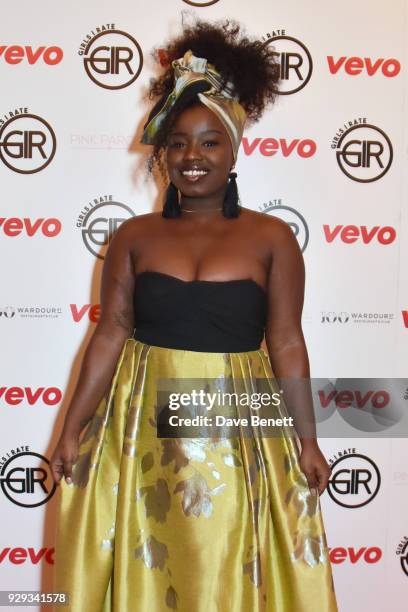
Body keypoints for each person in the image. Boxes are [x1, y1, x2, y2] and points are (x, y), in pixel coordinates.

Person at [51, 18, 339, 612]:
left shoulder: (273, 237)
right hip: (138, 418)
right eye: (178, 142)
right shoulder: (134, 236)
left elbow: (286, 341)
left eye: (210, 141)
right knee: (146, 549)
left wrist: (309, 440)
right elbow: (110, 333)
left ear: (234, 150)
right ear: (163, 152)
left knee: (221, 552)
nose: (192, 156)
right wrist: (70, 427)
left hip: (237, 420)